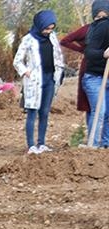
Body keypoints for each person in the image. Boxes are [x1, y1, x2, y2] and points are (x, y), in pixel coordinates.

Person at [13, 10, 65, 154]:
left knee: (45, 112)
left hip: (50, 79)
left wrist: (60, 71)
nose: (48, 31)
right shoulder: (28, 39)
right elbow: (17, 61)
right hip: (35, 80)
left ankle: (41, 143)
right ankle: (31, 145)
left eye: (51, 28)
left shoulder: (52, 37)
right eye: (46, 28)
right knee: (32, 112)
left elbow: (58, 56)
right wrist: (25, 71)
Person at [82, 0, 109, 147]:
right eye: (98, 16)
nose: (101, 19)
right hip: (95, 77)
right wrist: (103, 54)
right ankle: (93, 145)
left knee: (108, 113)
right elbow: (89, 52)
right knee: (100, 111)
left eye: (104, 15)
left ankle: (105, 144)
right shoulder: (101, 27)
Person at [60, 22, 92, 129]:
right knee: (89, 105)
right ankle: (92, 136)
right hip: (89, 68)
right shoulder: (88, 29)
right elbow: (65, 41)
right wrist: (82, 50)